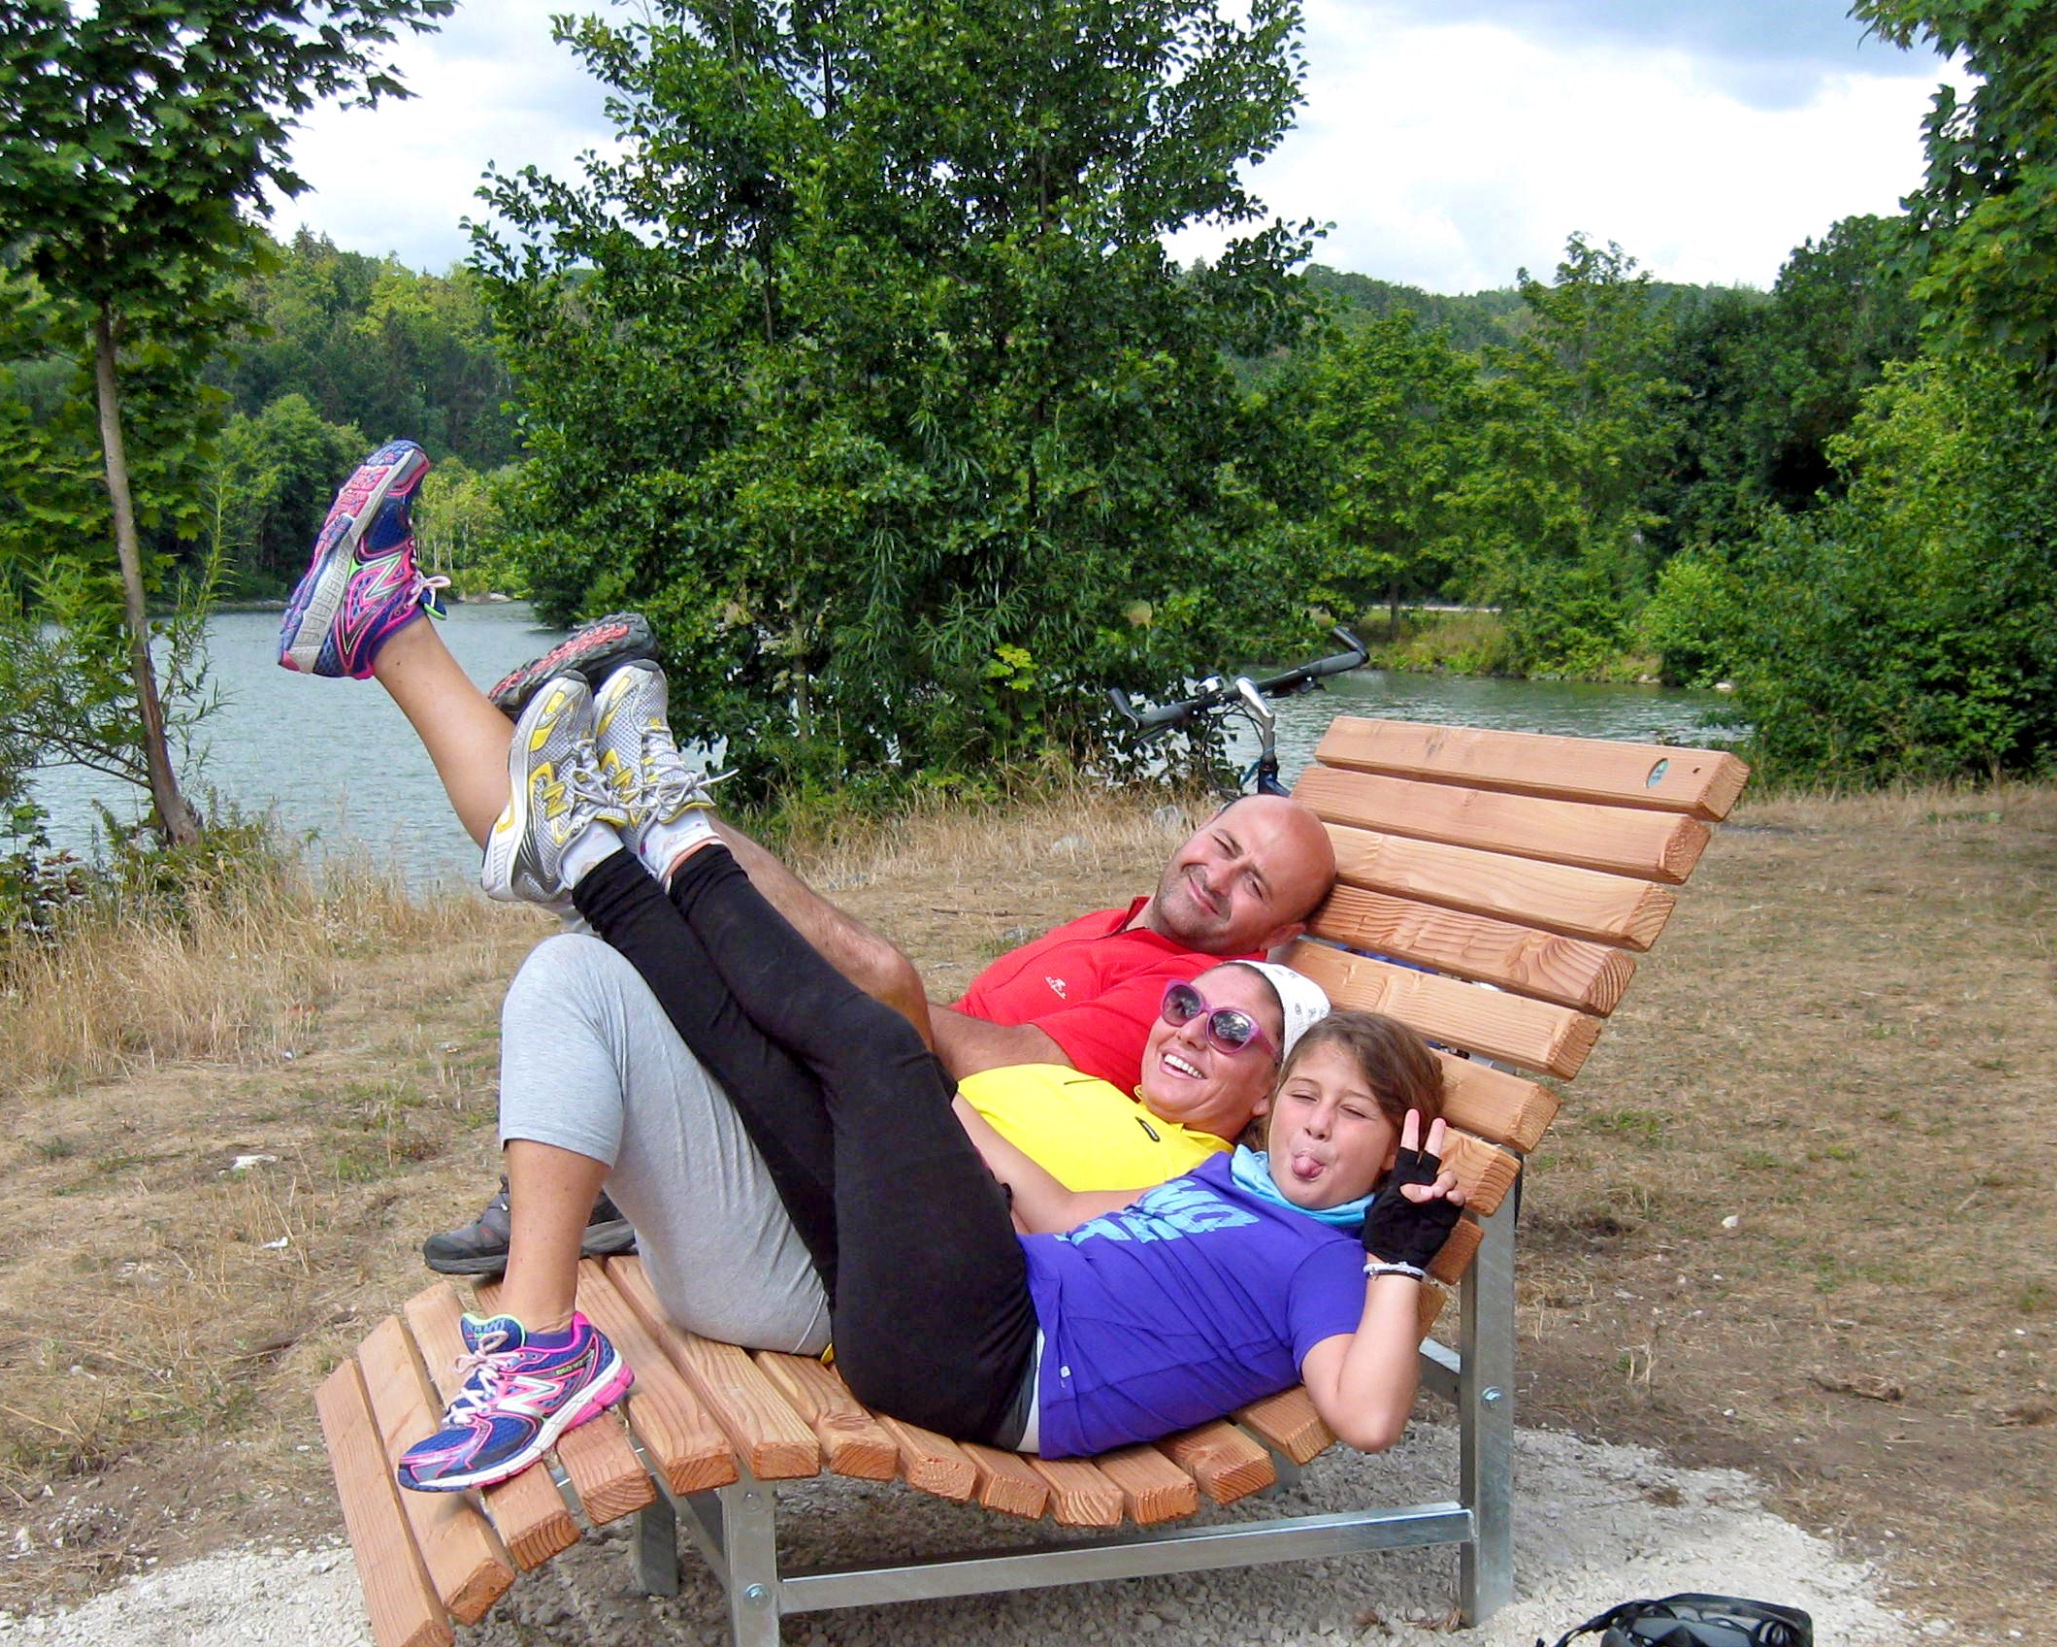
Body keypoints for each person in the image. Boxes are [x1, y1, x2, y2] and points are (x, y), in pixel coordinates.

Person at [376, 660, 1465, 1491]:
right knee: (768, 1075)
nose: (1316, 1131)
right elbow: (1064, 1208)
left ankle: (661, 837)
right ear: (1274, 1108)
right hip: (951, 1292)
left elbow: (1365, 1416)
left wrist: (1400, 1262)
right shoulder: (1229, 1183)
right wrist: (940, 1140)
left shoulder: (1327, 1262)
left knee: (874, 1042)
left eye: (1353, 1116)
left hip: (992, 1358)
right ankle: (592, 862)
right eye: (1310, 1100)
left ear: (1396, 1147)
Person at [273, 437, 1341, 1276]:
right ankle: (430, 665)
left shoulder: (1177, 1001)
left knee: (824, 954)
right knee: (594, 869)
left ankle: (637, 797)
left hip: (888, 1136)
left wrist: (852, 1006)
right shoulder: (1122, 939)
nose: (1217, 872)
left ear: (1278, 938)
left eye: (1253, 885)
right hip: (874, 1116)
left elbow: (987, 1073)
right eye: (1225, 839)